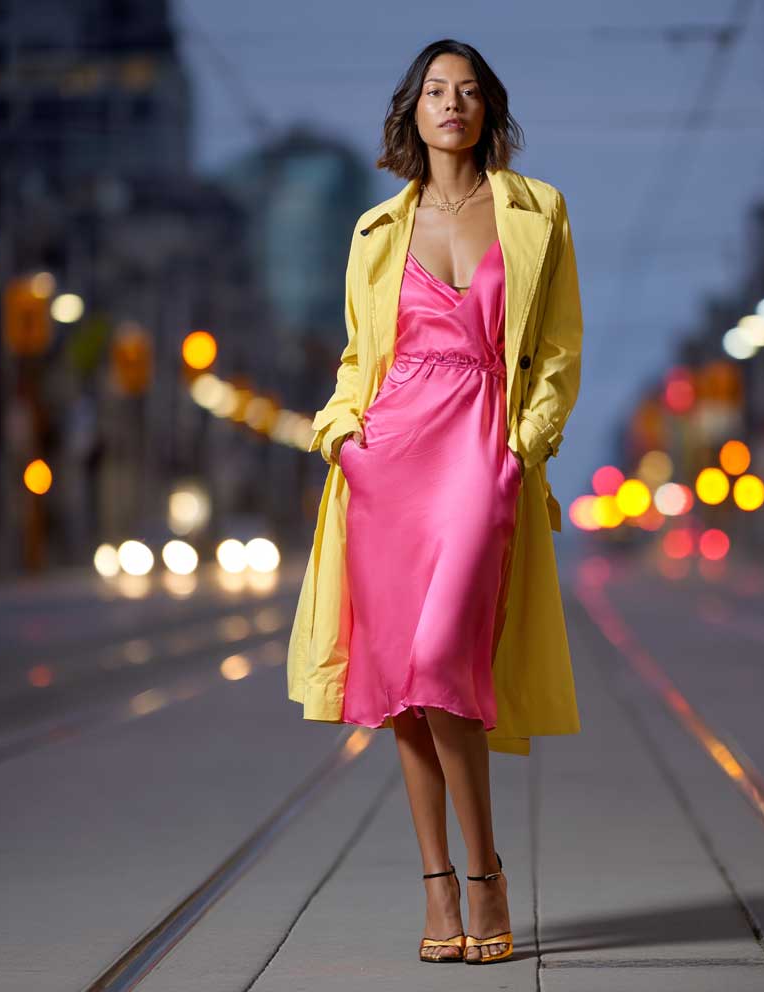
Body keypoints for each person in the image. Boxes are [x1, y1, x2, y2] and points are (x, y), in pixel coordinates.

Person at [286, 38, 584, 965]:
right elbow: (355, 357)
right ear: (412, 110)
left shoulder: (537, 212)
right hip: (390, 461)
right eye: (433, 90)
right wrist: (341, 434)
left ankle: (486, 871)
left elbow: (561, 349)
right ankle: (439, 887)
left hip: (483, 453)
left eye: (466, 91)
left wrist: (524, 445)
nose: (449, 103)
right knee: (402, 689)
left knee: (442, 658)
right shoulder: (378, 229)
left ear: (488, 109)